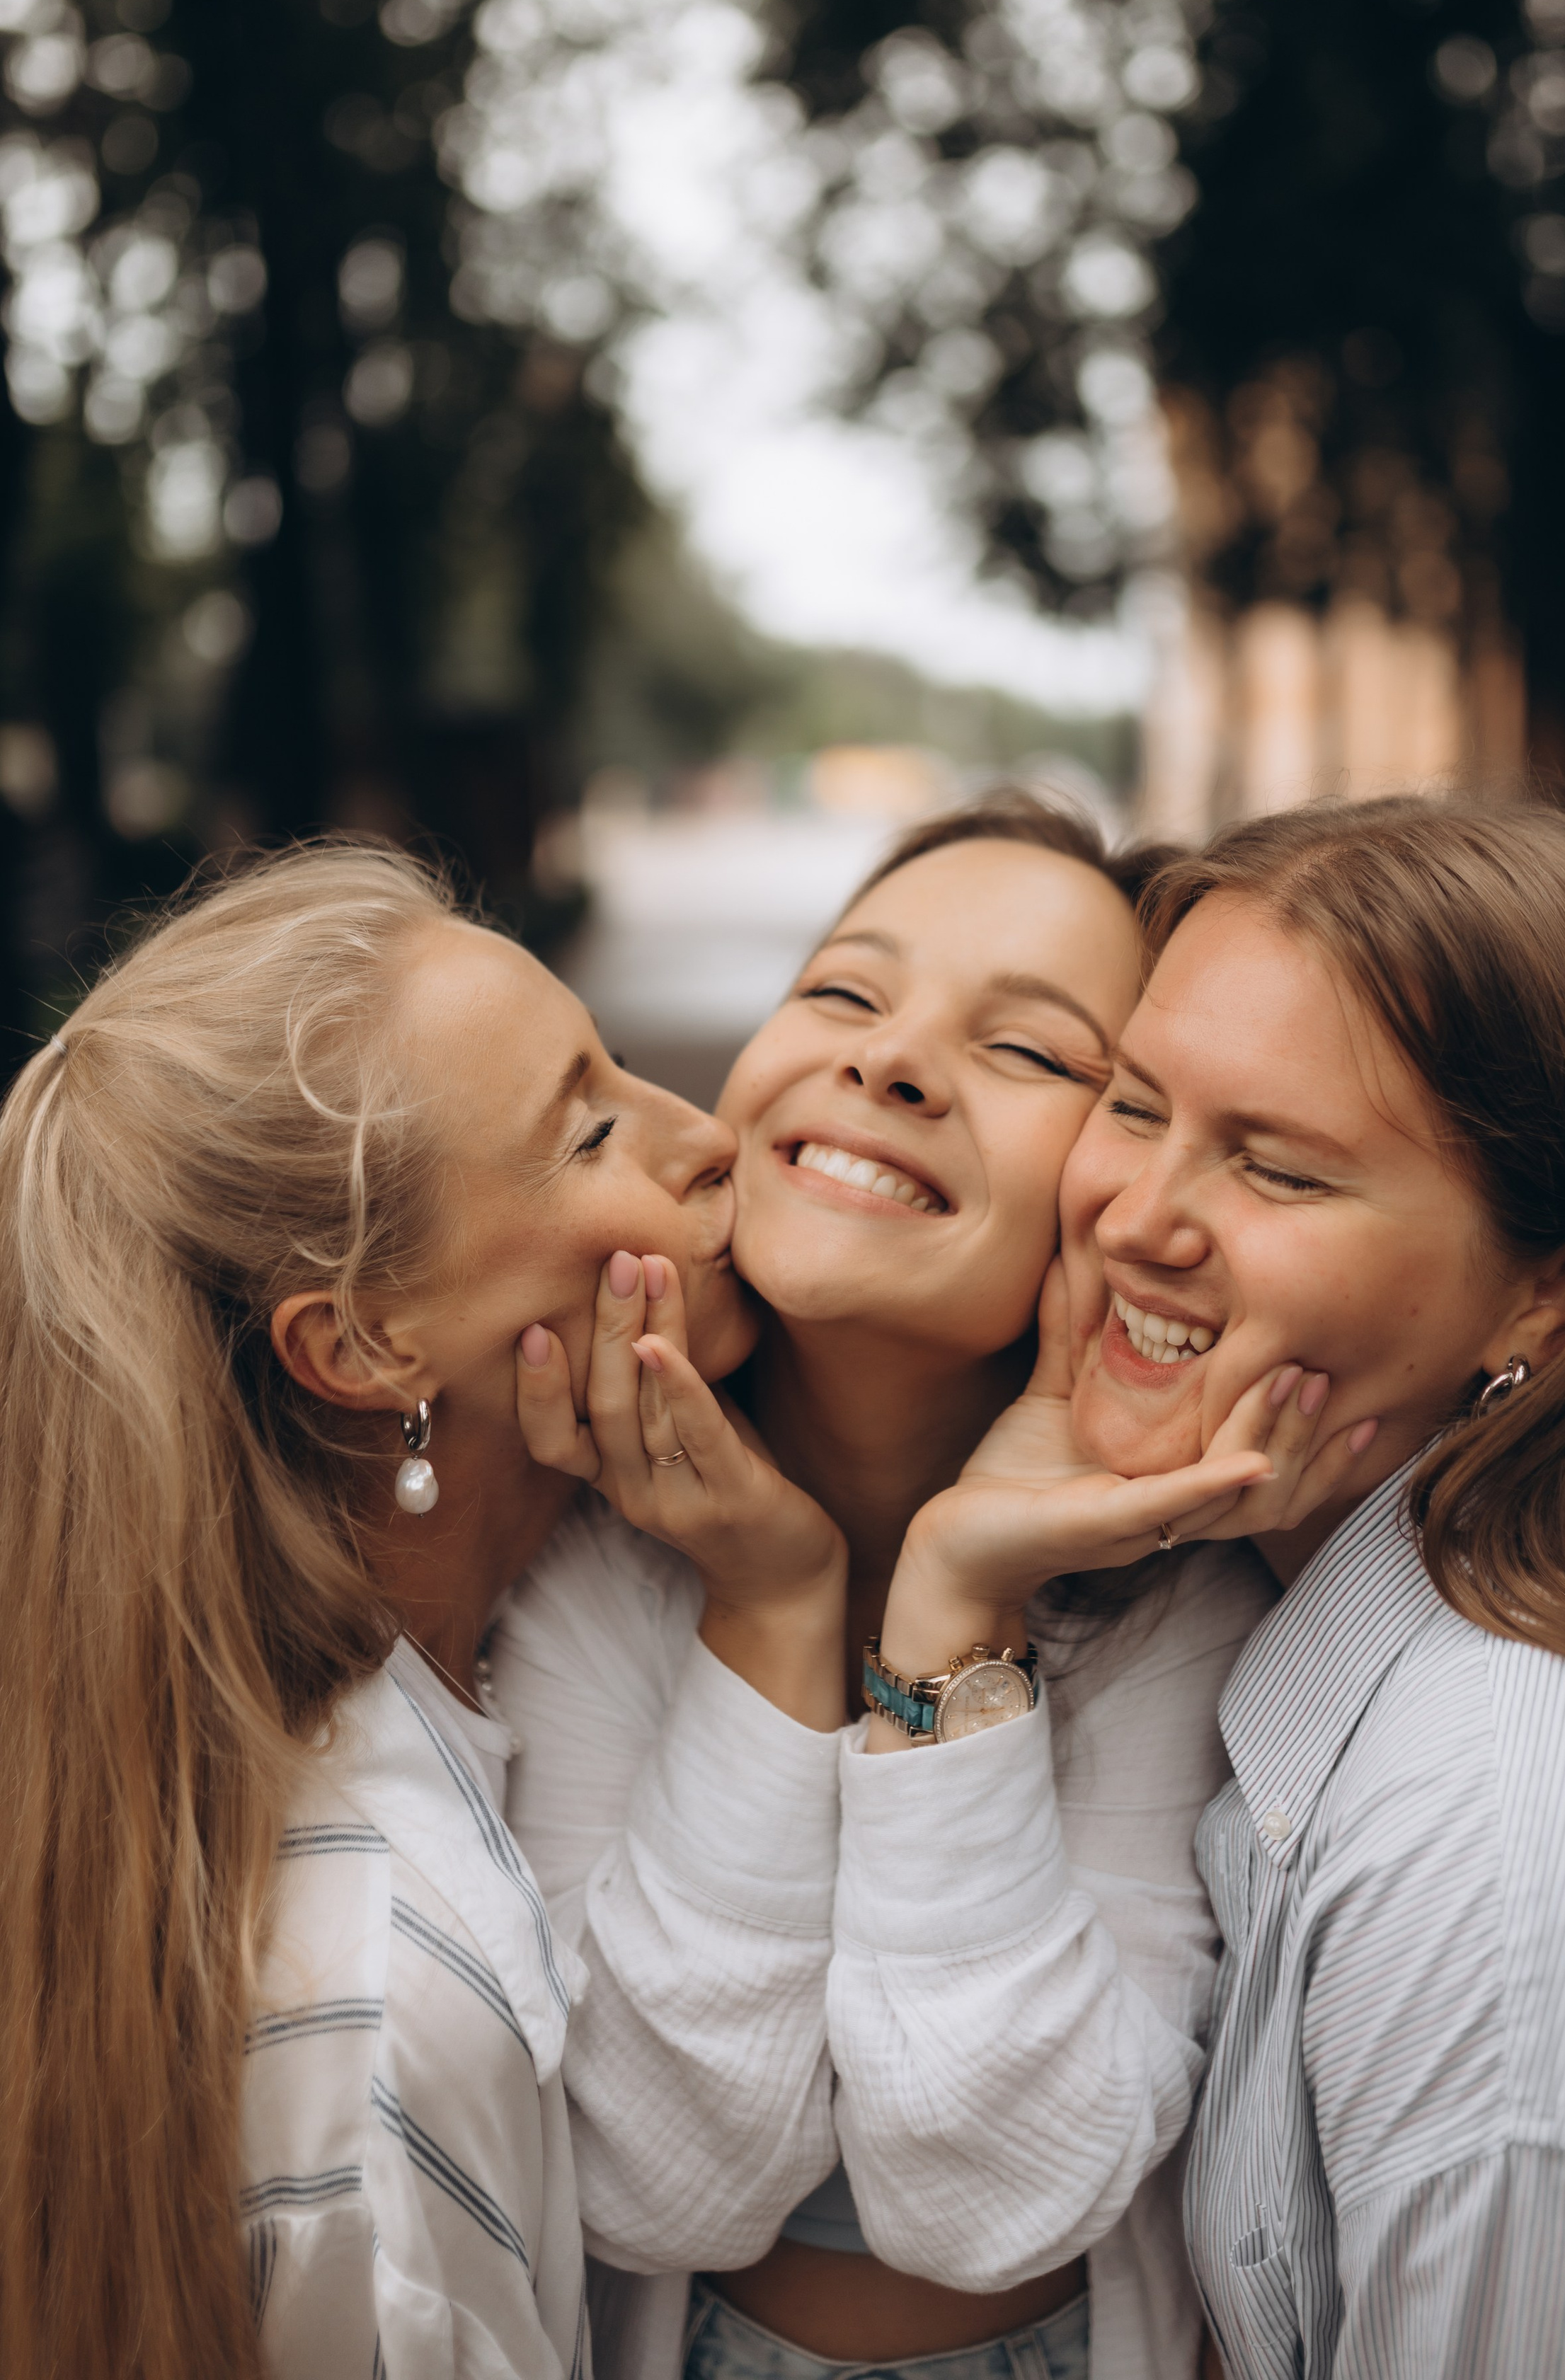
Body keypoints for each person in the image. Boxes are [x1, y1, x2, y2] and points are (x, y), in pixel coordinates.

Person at [493, 796, 1290, 2380]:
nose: (891, 1060)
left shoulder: (1175, 1608)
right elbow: (652, 2182)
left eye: (1031, 1051)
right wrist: (770, 1606)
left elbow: (999, 2201)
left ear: (1126, 1179)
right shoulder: (588, 1558)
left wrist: (953, 1618)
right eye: (845, 991)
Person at [0, 841, 796, 2380]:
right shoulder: (382, 2011)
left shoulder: (468, 1671)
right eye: (593, 1131)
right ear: (365, 1345)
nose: (710, 1136)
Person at [1048, 798, 1565, 2377]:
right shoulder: (1416, 1612)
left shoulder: (1507, 1856)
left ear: (1549, 1293)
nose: (1133, 1215)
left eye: (1277, 1171)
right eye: (1131, 1102)